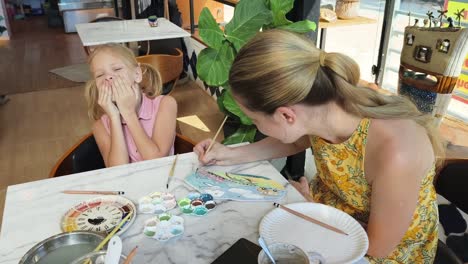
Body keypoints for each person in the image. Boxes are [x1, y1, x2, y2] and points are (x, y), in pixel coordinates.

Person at [194, 30, 444, 263]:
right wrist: (228, 155)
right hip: (327, 215)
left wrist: (313, 213)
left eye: (256, 120)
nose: (256, 126)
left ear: (286, 116)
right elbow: (296, 139)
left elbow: (375, 249)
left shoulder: (396, 152)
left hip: (373, 249)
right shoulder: (321, 106)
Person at [85, 43, 177, 167]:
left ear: (137, 74)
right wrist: (114, 117)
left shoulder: (165, 104)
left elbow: (156, 160)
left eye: (117, 69)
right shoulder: (100, 126)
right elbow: (117, 170)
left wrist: (129, 113)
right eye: (100, 75)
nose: (108, 77)